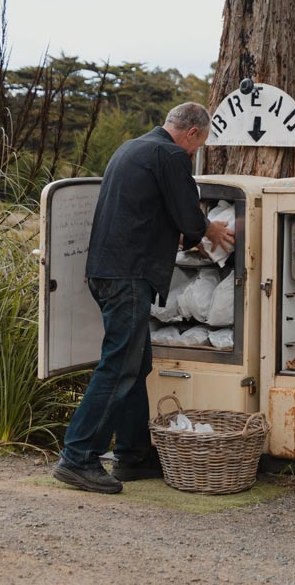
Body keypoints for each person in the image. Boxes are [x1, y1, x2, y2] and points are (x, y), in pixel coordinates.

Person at [52, 102, 234, 494]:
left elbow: (151, 210)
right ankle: (78, 456)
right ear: (192, 134)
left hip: (104, 271)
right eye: (196, 145)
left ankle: (133, 456)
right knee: (119, 366)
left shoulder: (132, 147)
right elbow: (188, 219)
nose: (193, 152)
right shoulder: (170, 154)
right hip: (130, 275)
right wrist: (210, 230)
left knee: (137, 363)